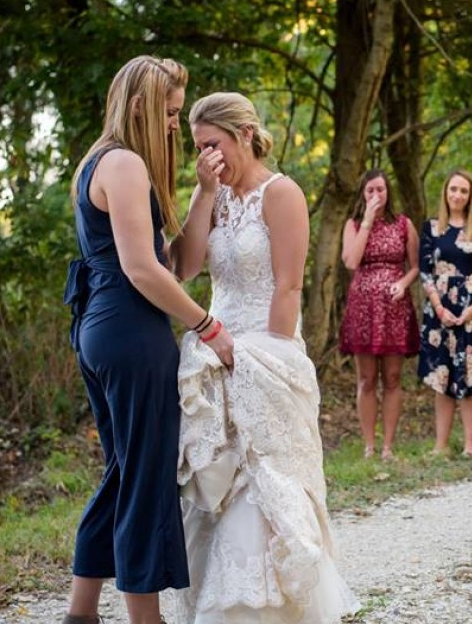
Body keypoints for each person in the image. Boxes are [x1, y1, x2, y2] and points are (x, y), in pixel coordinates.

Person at [171, 92, 359, 622]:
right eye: (198, 148)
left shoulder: (282, 194)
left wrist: (261, 366)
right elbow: (184, 268)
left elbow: (288, 287)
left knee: (265, 480)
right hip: (213, 353)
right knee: (219, 481)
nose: (207, 156)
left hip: (266, 355)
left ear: (245, 135)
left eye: (213, 144)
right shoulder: (213, 195)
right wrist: (203, 195)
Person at [61, 56, 233, 624]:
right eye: (169, 113)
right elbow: (142, 270)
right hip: (130, 330)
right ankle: (146, 618)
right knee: (144, 475)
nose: (174, 126)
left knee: (124, 469)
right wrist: (206, 326)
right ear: (139, 106)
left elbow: (177, 263)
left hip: (102, 329)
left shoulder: (99, 161)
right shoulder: (125, 163)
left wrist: (204, 193)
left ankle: (82, 612)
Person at [339, 169, 420, 461]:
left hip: (395, 308)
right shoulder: (353, 224)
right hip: (363, 307)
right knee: (367, 379)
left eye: (381, 190)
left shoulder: (403, 224)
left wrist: (403, 282)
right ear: (363, 193)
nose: (376, 196)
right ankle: (369, 445)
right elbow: (351, 261)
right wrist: (368, 222)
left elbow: (415, 265)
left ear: (389, 192)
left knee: (394, 377)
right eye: (371, 190)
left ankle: (388, 446)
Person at [418, 170, 472, 457]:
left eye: (463, 191)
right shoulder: (431, 228)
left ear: (470, 196)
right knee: (442, 377)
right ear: (445, 192)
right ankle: (440, 444)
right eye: (453, 189)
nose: (457, 195)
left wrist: (471, 309)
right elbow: (425, 272)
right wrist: (439, 308)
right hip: (439, 310)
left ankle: (470, 444)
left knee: (471, 377)